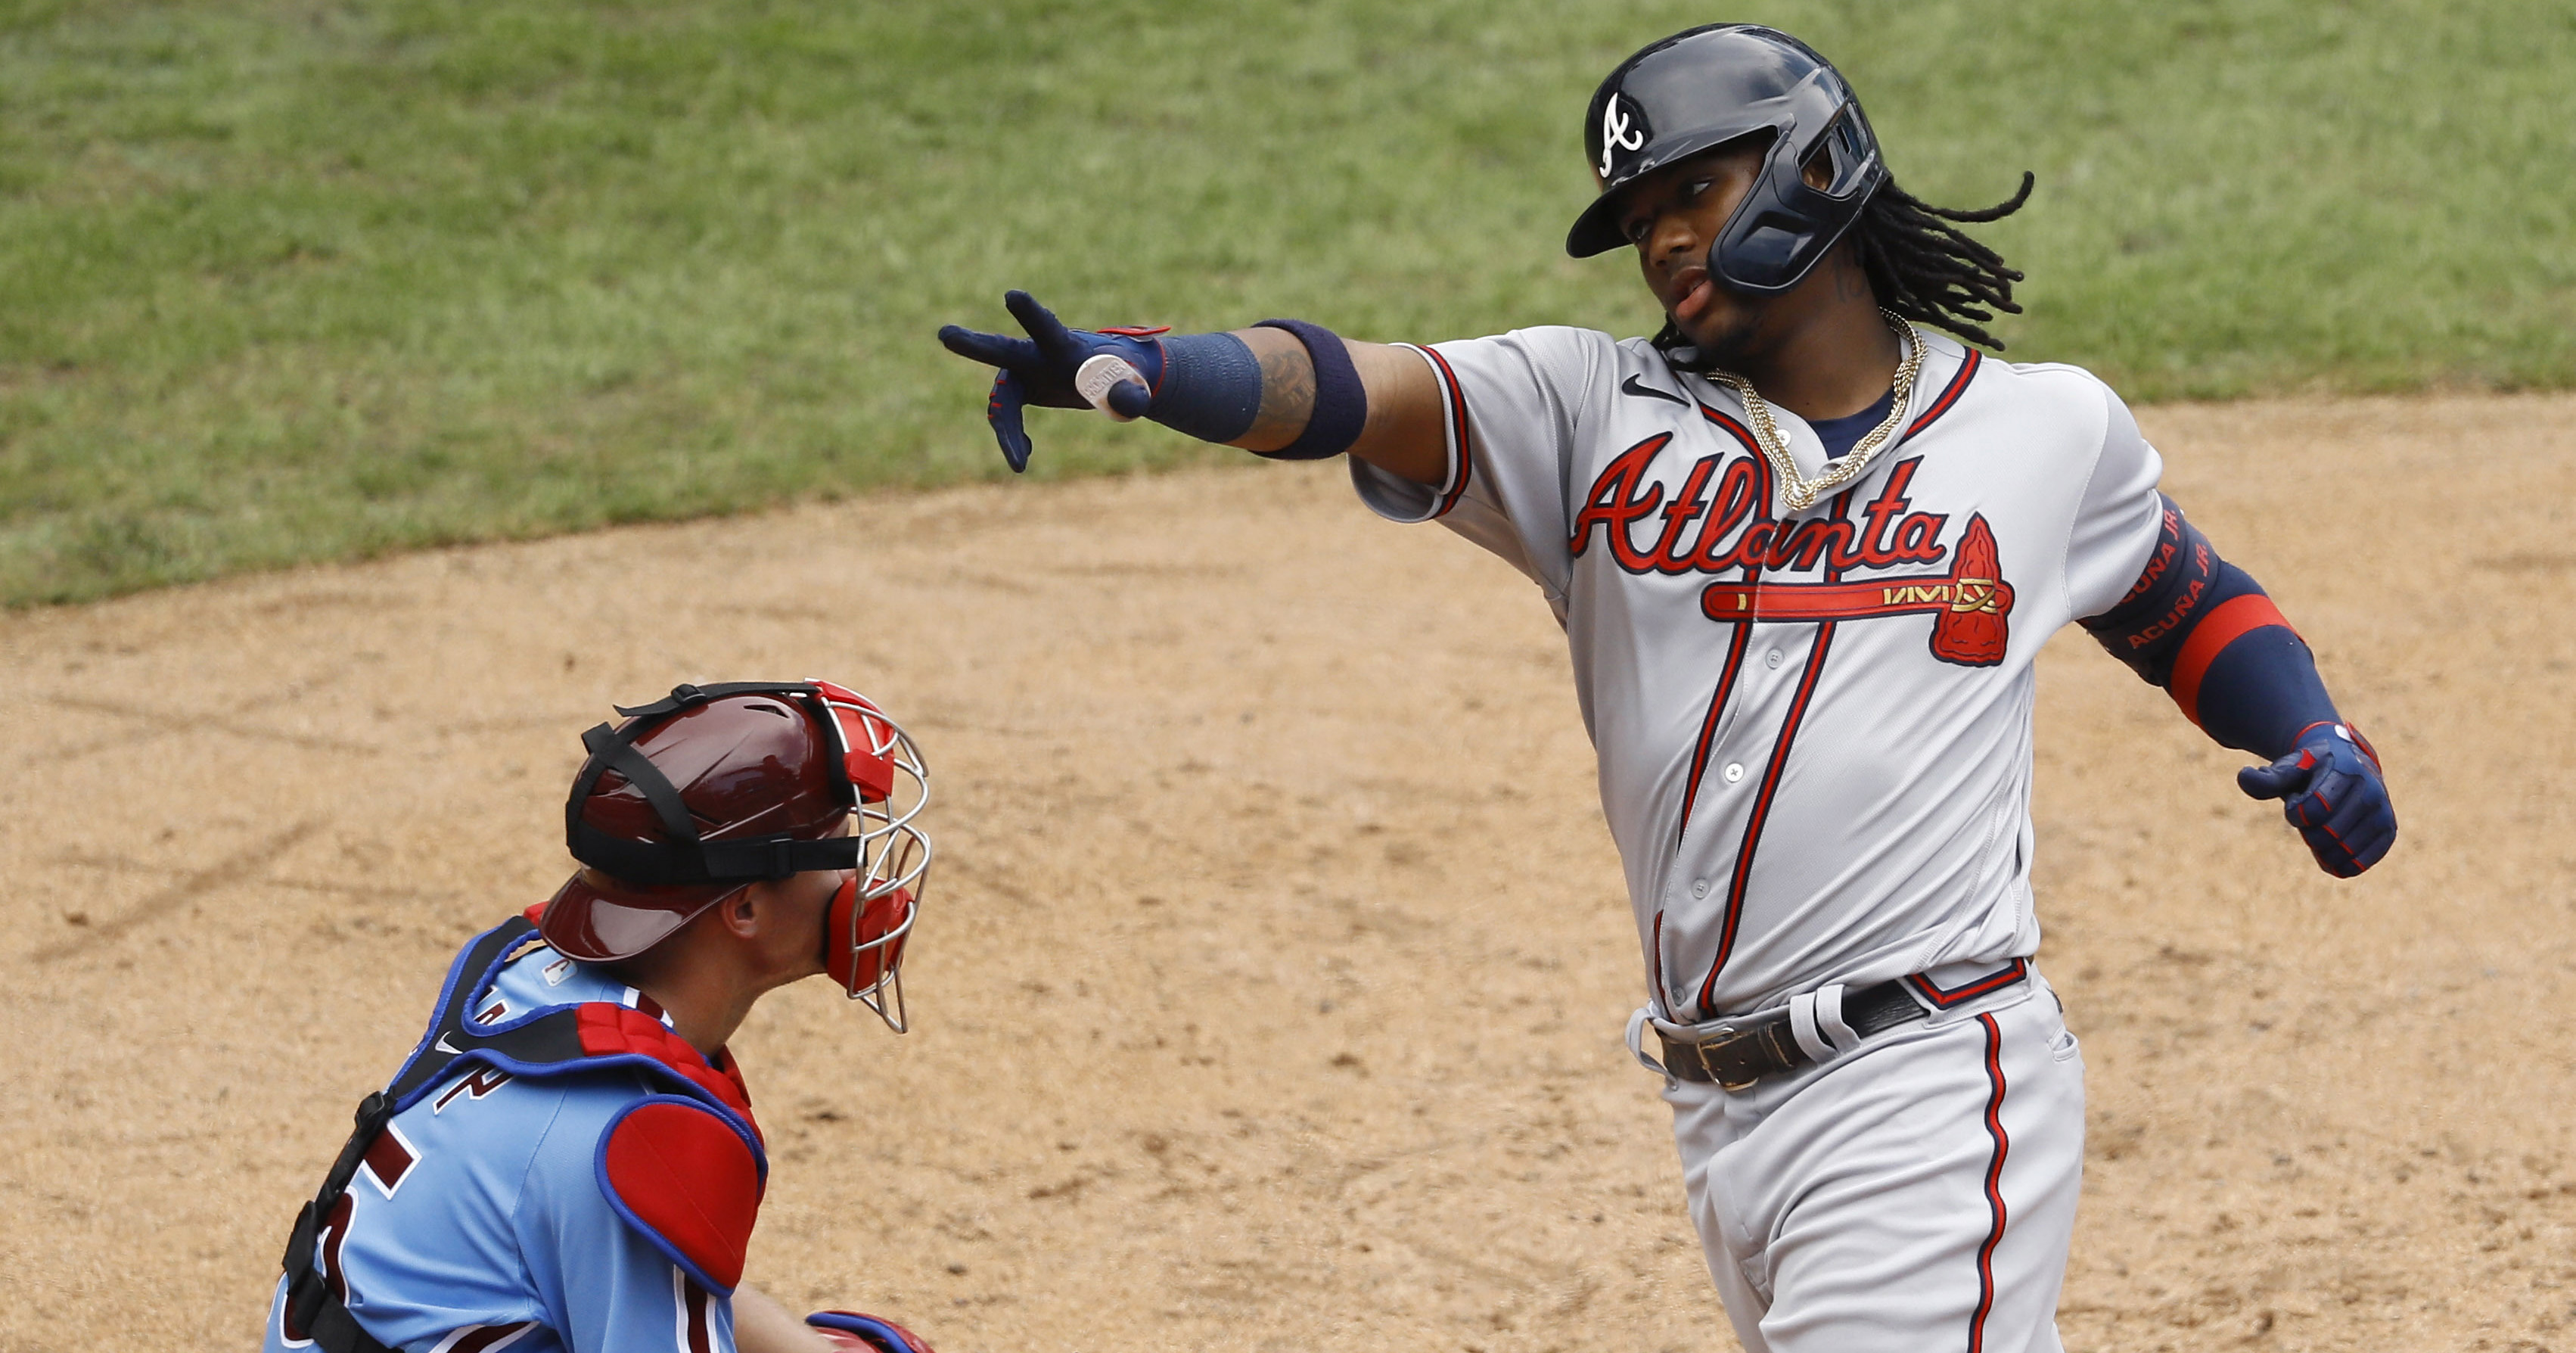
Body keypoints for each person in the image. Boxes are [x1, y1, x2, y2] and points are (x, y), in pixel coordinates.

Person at [936, 23, 2395, 1353]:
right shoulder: (1582, 411)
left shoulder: (2042, 431)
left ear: (1818, 164)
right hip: (1717, 1111)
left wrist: (2313, 732)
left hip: (1931, 1082)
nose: (1664, 242)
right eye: (1641, 221)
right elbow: (1349, 386)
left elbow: (2184, 598)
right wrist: (1151, 368)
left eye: (1693, 192)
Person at [266, 680, 939, 1353]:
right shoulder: (632, 1133)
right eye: (838, 848)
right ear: (746, 910)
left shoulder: (529, 975)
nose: (859, 878)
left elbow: (650, 1271)